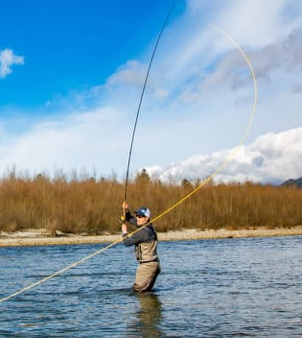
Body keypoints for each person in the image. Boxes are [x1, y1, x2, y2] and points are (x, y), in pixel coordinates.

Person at [120, 202, 161, 292]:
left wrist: (124, 230)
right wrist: (126, 210)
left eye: (140, 216)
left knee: (138, 292)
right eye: (137, 215)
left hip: (147, 267)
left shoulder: (144, 232)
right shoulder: (148, 227)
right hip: (152, 265)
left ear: (146, 218)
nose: (138, 218)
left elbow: (127, 242)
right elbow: (130, 219)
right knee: (144, 293)